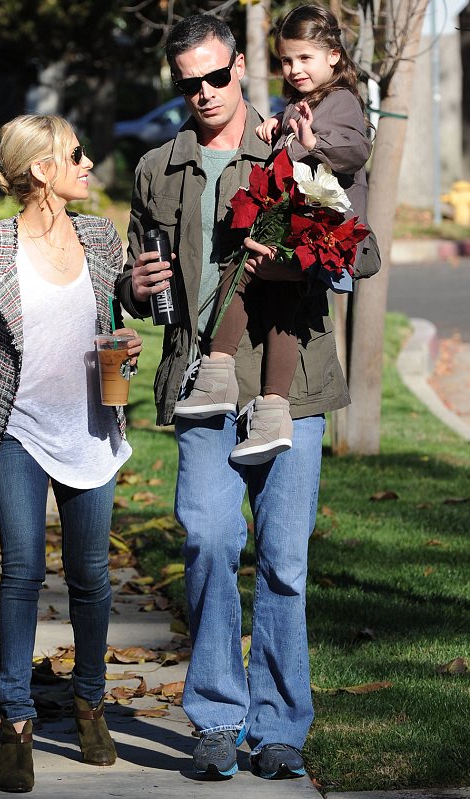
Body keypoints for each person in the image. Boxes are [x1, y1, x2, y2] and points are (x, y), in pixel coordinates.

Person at [118, 12, 379, 782]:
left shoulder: (294, 145)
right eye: (186, 82)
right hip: (202, 383)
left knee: (284, 562)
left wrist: (307, 246)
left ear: (239, 68)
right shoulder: (156, 169)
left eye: (214, 76)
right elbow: (142, 279)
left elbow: (357, 256)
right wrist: (129, 287)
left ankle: (278, 726)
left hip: (287, 388)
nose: (202, 92)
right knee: (206, 538)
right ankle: (217, 715)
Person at [0, 114, 142, 793]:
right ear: (42, 169)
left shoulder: (101, 235)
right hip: (15, 429)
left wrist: (127, 345)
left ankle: (90, 702)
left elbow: (125, 316)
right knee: (21, 570)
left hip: (91, 427)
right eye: (75, 153)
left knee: (91, 575)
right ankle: (16, 720)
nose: (87, 161)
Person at [174, 4, 372, 467]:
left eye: (306, 58)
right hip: (301, 228)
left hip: (321, 230)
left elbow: (352, 149)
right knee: (268, 293)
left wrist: (308, 142)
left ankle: (226, 376)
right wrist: (279, 124)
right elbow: (298, 135)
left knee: (245, 277)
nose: (295, 69)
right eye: (286, 60)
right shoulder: (307, 103)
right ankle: (259, 401)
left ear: (335, 57)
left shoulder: (341, 101)